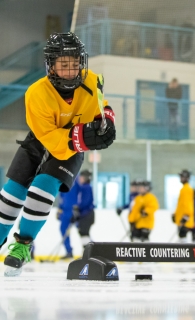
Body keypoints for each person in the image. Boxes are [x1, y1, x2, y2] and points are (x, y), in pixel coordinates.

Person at [0, 32, 116, 276]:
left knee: (42, 190)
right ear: (51, 66)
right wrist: (82, 136)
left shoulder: (93, 81)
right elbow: (50, 138)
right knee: (11, 194)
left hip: (74, 147)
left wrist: (107, 121)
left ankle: (22, 246)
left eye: (75, 64)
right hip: (42, 140)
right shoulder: (36, 92)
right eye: (64, 65)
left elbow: (101, 107)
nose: (71, 71)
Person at [57, 177, 80, 259]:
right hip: (65, 211)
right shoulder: (63, 179)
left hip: (74, 210)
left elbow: (80, 194)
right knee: (63, 229)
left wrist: (77, 209)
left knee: (83, 231)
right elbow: (61, 196)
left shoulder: (76, 181)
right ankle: (69, 251)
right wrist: (59, 209)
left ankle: (94, 250)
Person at [72, 169, 95, 250]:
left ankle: (90, 252)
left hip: (87, 214)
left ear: (86, 178)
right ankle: (89, 251)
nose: (79, 179)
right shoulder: (83, 187)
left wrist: (78, 208)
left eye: (81, 177)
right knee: (83, 233)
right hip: (85, 214)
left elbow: (85, 202)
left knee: (84, 233)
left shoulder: (86, 187)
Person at [172, 169, 194, 243]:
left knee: (182, 238)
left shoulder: (187, 189)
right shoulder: (183, 189)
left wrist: (186, 216)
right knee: (181, 237)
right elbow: (180, 205)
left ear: (187, 178)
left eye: (182, 177)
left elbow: (188, 204)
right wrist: (175, 214)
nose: (180, 178)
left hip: (184, 219)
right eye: (180, 176)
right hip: (181, 218)